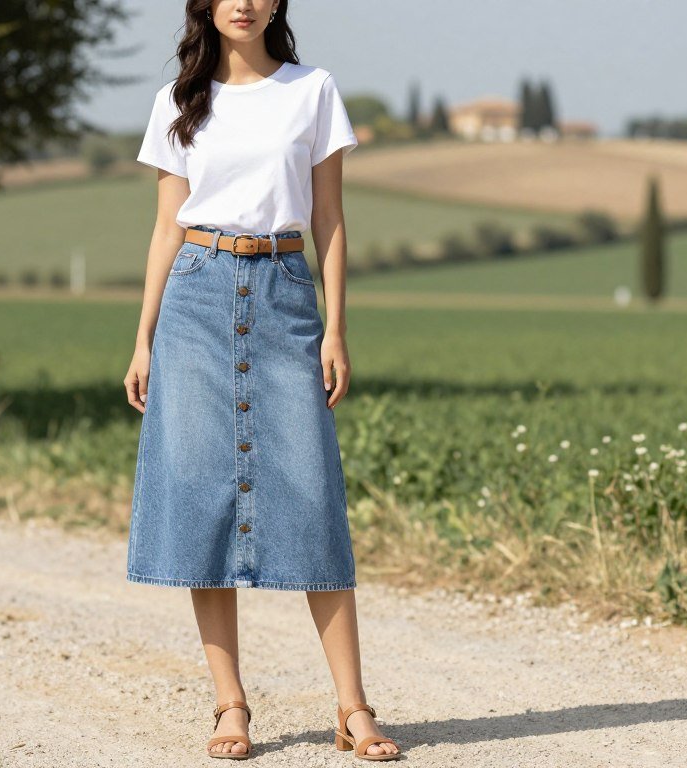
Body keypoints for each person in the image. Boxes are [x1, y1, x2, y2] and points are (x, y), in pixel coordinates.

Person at [122, 1, 400, 761]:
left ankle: (353, 707)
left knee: (311, 494)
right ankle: (230, 707)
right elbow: (165, 228)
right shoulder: (177, 103)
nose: (242, 1)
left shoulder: (313, 91)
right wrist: (143, 337)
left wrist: (336, 327)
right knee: (202, 501)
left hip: (283, 292)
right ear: (205, 6)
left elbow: (331, 218)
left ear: (278, 3)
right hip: (195, 296)